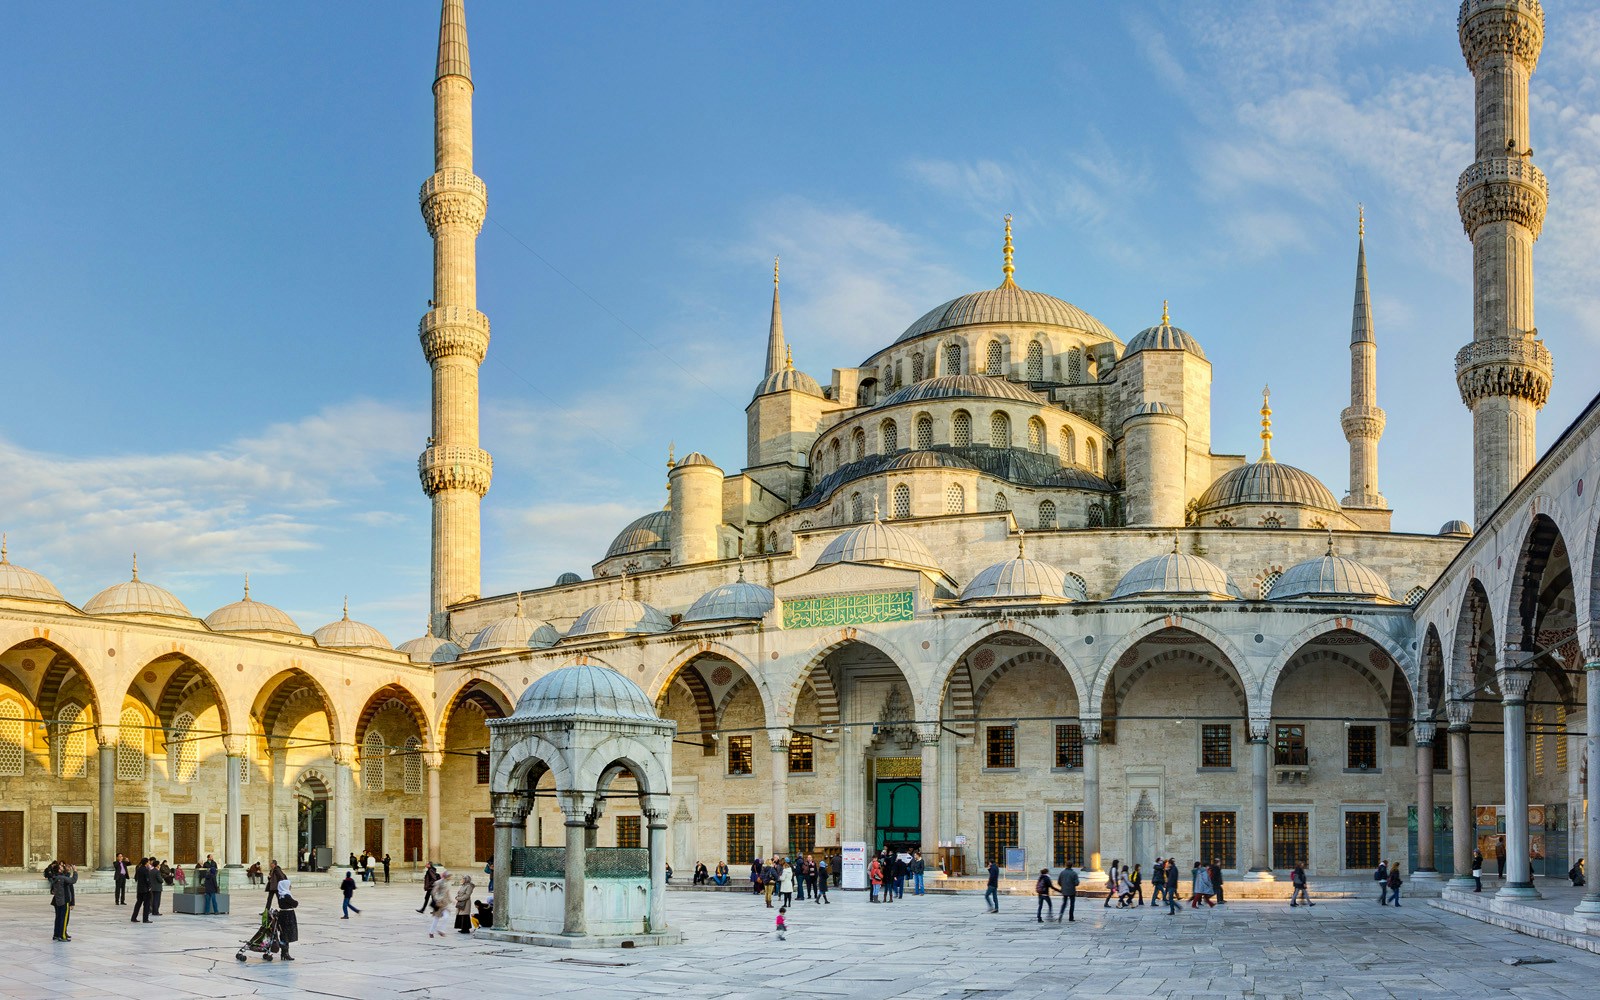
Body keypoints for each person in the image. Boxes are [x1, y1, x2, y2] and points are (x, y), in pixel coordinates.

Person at [273, 874, 299, 961]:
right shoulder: (286, 895)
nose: (290, 887)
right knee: (286, 935)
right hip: (288, 915)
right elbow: (295, 904)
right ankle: (285, 953)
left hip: (283, 914)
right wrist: (295, 902)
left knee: (283, 934)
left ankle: (284, 953)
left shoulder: (280, 895)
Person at [49, 862, 77, 941]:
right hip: (64, 901)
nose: (63, 867)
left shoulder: (56, 877)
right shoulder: (62, 878)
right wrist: (75, 871)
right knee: (64, 919)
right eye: (61, 867)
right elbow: (73, 880)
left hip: (57, 901)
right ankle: (62, 936)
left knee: (58, 918)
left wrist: (67, 871)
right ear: (59, 870)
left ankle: (57, 934)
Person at [427, 869, 454, 938]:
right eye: (450, 876)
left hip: (445, 902)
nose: (451, 877)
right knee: (436, 918)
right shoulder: (439, 882)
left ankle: (442, 930)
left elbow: (448, 892)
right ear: (447, 876)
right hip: (438, 902)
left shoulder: (448, 883)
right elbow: (433, 892)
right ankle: (431, 932)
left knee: (446, 916)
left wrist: (452, 900)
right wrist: (437, 899)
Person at [131, 858, 152, 923]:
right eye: (148, 862)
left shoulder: (139, 869)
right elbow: (147, 879)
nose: (149, 864)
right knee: (146, 904)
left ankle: (134, 917)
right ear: (146, 863)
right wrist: (150, 886)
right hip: (145, 890)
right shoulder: (145, 870)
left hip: (139, 889)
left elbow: (136, 878)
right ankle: (145, 919)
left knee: (138, 903)